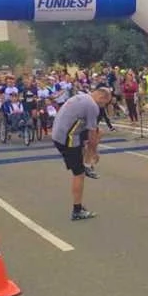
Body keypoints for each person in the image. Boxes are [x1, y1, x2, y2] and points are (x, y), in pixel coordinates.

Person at [51, 88, 113, 220]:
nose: (102, 107)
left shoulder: (82, 97)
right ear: (101, 98)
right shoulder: (92, 106)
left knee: (99, 132)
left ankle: (86, 164)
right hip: (66, 137)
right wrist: (94, 152)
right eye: (104, 104)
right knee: (78, 174)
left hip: (61, 130)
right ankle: (77, 209)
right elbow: (91, 134)